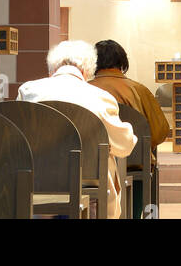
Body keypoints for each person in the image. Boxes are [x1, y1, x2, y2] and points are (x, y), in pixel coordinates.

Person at [17, 39, 136, 218]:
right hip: (88, 187)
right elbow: (124, 146)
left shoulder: (28, 91)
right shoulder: (100, 98)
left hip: (37, 184)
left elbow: (16, 139)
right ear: (87, 70)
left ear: (52, 68)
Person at [91, 40, 172, 220]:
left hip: (91, 165)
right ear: (123, 63)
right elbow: (159, 131)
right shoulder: (138, 90)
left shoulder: (86, 89)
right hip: (133, 163)